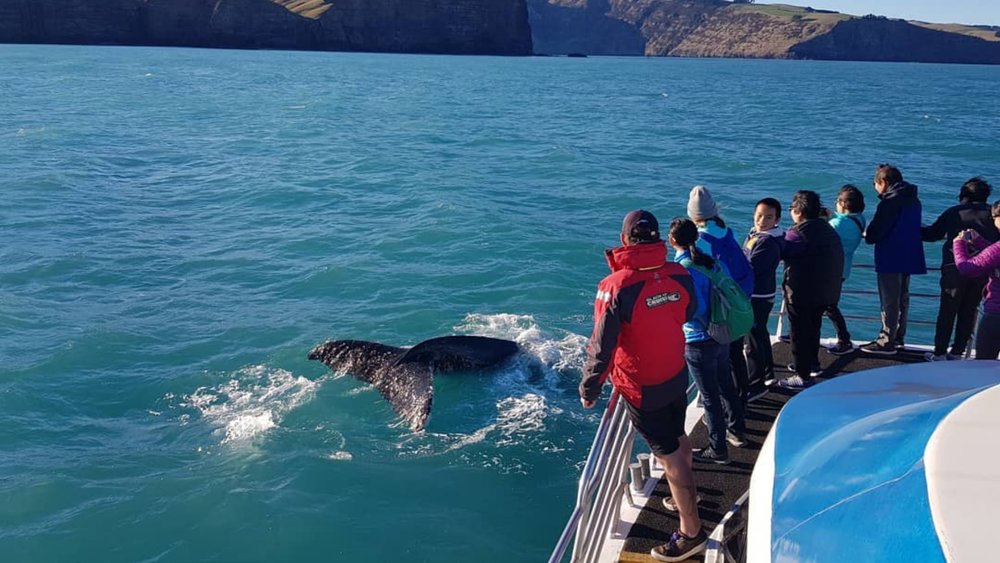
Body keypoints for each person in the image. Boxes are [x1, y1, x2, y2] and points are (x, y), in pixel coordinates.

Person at [579, 210, 707, 562]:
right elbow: (689, 310)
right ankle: (685, 497)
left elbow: (601, 346)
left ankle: (690, 532)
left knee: (669, 458)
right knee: (678, 439)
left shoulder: (616, 286)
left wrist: (589, 388)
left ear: (625, 239)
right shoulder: (679, 274)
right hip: (676, 373)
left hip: (641, 385)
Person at [670, 218, 747, 465]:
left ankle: (718, 449)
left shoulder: (681, 269)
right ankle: (738, 431)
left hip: (698, 339)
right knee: (726, 385)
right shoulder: (711, 260)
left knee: (710, 396)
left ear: (672, 241)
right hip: (721, 333)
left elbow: (695, 309)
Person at [687, 185, 754, 404]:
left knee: (725, 359)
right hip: (740, 295)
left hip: (723, 304)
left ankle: (732, 404)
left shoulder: (700, 241)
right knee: (735, 352)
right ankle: (745, 392)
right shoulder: (725, 231)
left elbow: (704, 276)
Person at [921, 177, 998, 361]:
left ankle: (939, 352)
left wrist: (913, 228)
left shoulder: (955, 212)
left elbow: (933, 234)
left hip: (954, 267)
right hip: (982, 270)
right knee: (969, 311)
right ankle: (957, 352)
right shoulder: (993, 216)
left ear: (964, 195)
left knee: (947, 311)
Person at [779, 191, 844, 388]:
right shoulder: (828, 229)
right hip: (826, 290)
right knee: (814, 328)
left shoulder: (797, 233)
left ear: (798, 211)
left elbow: (781, 251)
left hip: (801, 292)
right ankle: (813, 364)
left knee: (798, 333)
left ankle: (802, 374)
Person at [861, 164, 926, 355]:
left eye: (876, 184)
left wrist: (868, 234)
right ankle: (898, 338)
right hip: (910, 253)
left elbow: (877, 232)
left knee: (889, 300)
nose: (875, 189)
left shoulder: (890, 201)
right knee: (902, 298)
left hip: (891, 255)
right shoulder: (914, 199)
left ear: (883, 182)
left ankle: (886, 341)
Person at [742, 198, 784, 397]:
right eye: (759, 215)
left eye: (769, 217)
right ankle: (767, 372)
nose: (762, 220)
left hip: (758, 294)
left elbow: (751, 267)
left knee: (752, 340)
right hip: (759, 293)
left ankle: (756, 384)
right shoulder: (756, 234)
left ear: (777, 219)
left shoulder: (768, 241)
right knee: (759, 333)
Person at [822, 185, 867, 355]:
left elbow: (823, 235)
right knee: (827, 304)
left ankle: (844, 339)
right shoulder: (859, 219)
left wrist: (826, 219)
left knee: (828, 306)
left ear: (843, 204)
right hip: (843, 269)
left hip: (829, 270)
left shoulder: (837, 223)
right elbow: (844, 224)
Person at [953, 201, 1000, 360]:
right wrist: (978, 241)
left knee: (984, 364)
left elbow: (967, 268)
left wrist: (958, 244)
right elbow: (993, 256)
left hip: (996, 314)